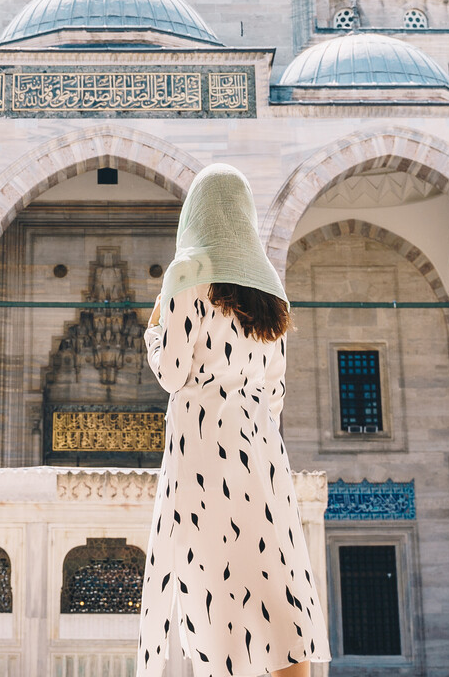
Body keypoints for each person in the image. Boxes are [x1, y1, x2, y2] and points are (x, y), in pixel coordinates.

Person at [137, 163, 329, 677]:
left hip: (202, 449)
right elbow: (276, 394)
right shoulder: (270, 295)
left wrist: (154, 330)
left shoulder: (187, 277)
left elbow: (174, 373)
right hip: (261, 453)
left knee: (214, 586)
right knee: (274, 580)